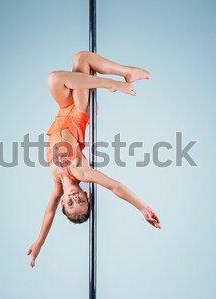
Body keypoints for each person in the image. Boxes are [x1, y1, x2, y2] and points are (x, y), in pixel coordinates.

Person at [27, 51, 161, 268]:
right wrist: (143, 207)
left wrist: (39, 244)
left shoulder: (57, 185)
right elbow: (115, 186)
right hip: (80, 112)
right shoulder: (80, 172)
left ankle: (127, 74)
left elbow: (49, 212)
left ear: (64, 202)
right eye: (81, 200)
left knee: (82, 59)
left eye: (70, 204)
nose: (73, 199)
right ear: (86, 195)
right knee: (55, 77)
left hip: (64, 109)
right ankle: (111, 83)